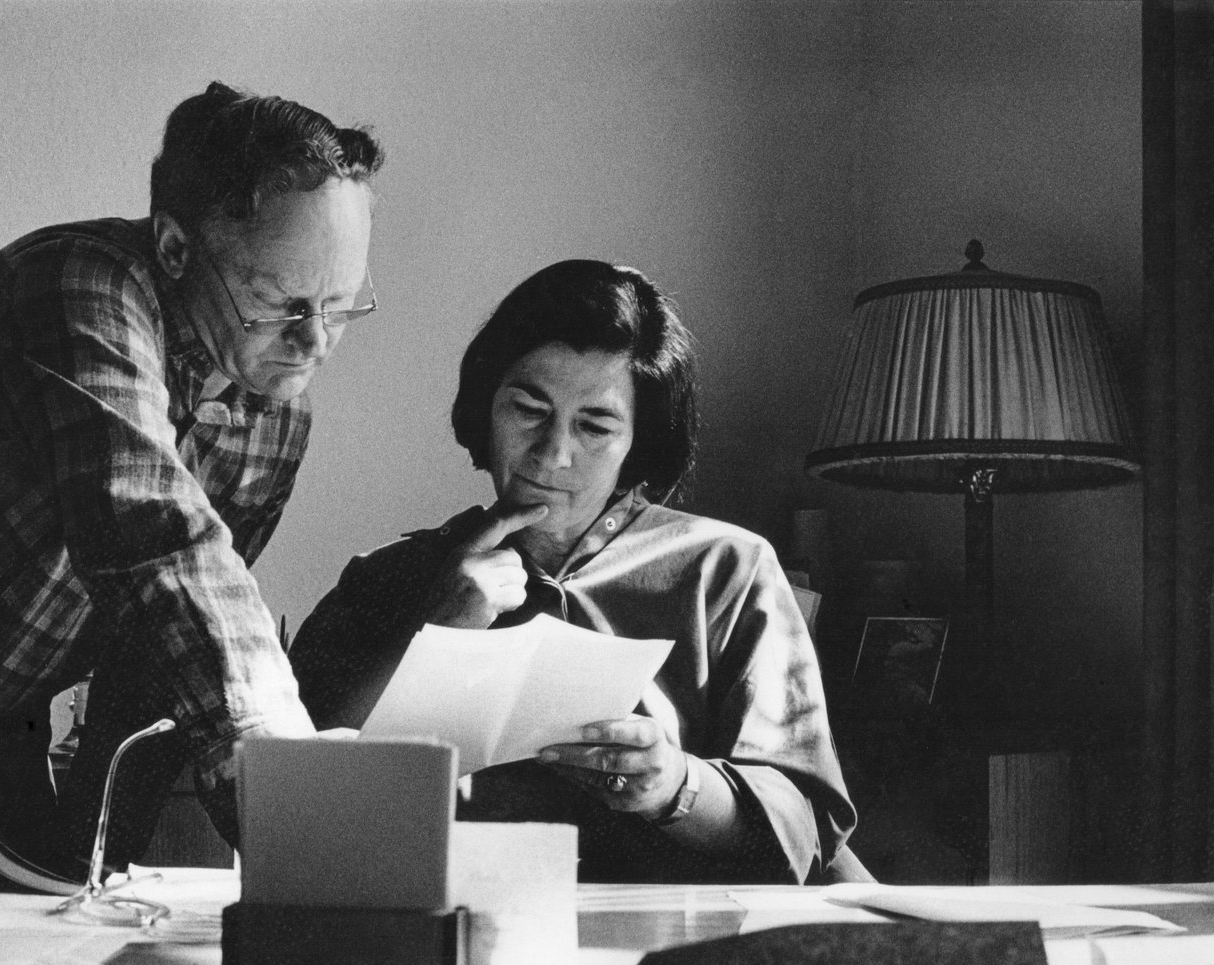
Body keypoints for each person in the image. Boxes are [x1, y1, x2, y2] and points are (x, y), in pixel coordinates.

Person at [0, 82, 382, 871]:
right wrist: (271, 746)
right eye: (277, 301)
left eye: (341, 303)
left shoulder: (279, 415)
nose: (314, 340)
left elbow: (164, 651)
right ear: (176, 248)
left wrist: (106, 860)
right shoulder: (79, 286)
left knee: (63, 919)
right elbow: (154, 534)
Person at [288, 260, 857, 883]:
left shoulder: (726, 570)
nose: (553, 453)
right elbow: (287, 809)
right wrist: (438, 636)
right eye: (529, 410)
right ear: (486, 409)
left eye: (594, 426)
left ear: (638, 442)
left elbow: (806, 829)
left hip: (669, 927)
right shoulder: (384, 579)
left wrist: (674, 784)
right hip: (442, 919)